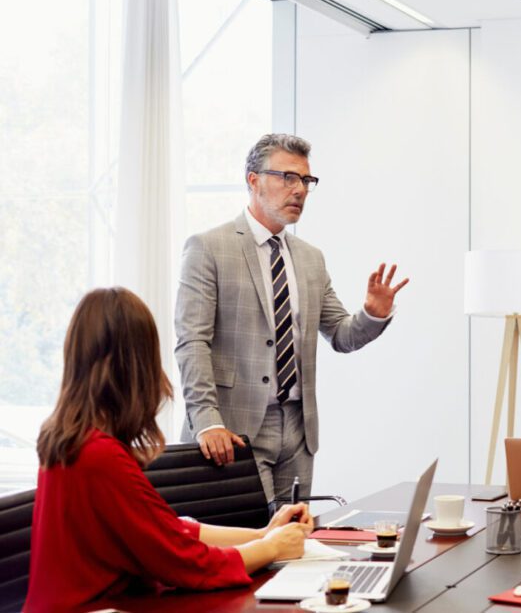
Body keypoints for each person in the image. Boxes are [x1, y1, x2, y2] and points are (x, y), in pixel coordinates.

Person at [26, 288, 313, 611]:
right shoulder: (99, 457)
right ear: (135, 365)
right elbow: (184, 561)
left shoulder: (71, 440)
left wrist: (264, 533)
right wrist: (271, 548)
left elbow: (171, 531)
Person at [176, 133, 408, 503]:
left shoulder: (309, 258)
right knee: (252, 546)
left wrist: (372, 315)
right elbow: (192, 341)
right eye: (287, 177)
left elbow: (341, 335)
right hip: (234, 431)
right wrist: (207, 421)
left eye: (305, 180)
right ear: (253, 180)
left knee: (292, 544)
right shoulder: (209, 247)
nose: (299, 190)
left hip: (298, 430)